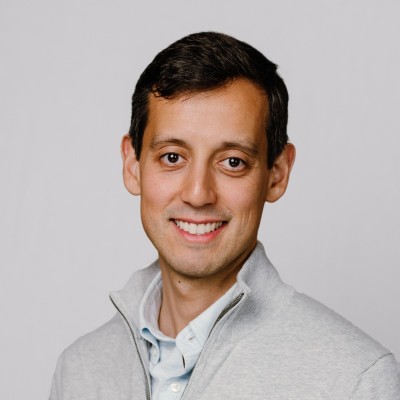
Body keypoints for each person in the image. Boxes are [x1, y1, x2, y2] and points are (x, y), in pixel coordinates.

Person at [49, 32, 400, 400]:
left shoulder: (356, 380)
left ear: (277, 173)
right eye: (172, 157)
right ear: (132, 165)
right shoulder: (79, 370)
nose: (198, 194)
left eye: (233, 162)